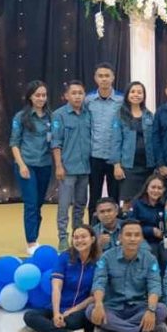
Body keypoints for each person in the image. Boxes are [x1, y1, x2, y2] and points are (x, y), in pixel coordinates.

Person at [87, 220, 167, 332]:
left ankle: (110, 329)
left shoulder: (150, 259)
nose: (133, 239)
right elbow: (99, 282)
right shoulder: (107, 257)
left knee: (161, 309)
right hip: (113, 308)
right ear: (120, 237)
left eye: (137, 235)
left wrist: (151, 310)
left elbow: (154, 286)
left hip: (138, 308)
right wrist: (99, 304)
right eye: (128, 235)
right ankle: (138, 330)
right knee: (91, 310)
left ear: (142, 238)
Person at [20, 224, 99, 332]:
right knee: (29, 316)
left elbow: (94, 295)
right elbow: (56, 287)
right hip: (58, 307)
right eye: (76, 237)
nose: (79, 240)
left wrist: (72, 310)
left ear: (92, 239)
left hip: (79, 310)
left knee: (74, 322)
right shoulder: (65, 257)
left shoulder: (99, 262)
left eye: (83, 237)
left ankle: (41, 329)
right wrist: (56, 313)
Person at [10, 80, 53, 255]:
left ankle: (35, 236)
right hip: (27, 166)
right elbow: (14, 143)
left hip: (45, 165)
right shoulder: (21, 117)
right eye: (37, 95)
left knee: (38, 204)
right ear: (30, 97)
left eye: (44, 95)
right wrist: (21, 165)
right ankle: (31, 241)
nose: (41, 98)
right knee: (30, 204)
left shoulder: (51, 117)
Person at [51, 80, 92, 251]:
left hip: (85, 167)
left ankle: (78, 235)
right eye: (73, 93)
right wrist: (58, 165)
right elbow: (55, 142)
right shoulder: (59, 115)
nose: (77, 96)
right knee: (64, 205)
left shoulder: (88, 114)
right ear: (66, 96)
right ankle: (62, 237)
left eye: (80, 93)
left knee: (81, 204)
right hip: (67, 168)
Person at [110, 82, 155, 212]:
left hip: (148, 165)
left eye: (140, 92)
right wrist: (116, 165)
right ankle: (127, 223)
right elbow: (116, 141)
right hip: (128, 166)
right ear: (127, 95)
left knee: (147, 199)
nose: (136, 95)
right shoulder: (120, 115)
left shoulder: (149, 115)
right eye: (133, 92)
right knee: (128, 201)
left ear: (144, 95)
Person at [85, 63, 123, 221]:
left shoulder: (121, 100)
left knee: (115, 197)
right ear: (95, 78)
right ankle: (93, 229)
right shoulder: (88, 100)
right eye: (100, 76)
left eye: (107, 76)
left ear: (113, 77)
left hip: (115, 157)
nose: (104, 79)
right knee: (94, 196)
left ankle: (115, 229)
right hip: (94, 155)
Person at [128, 175, 167, 263]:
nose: (156, 191)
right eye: (153, 187)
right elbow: (130, 225)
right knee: (152, 254)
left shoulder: (166, 204)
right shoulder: (136, 204)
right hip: (143, 239)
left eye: (159, 188)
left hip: (163, 240)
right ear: (147, 188)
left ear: (164, 190)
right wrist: (151, 230)